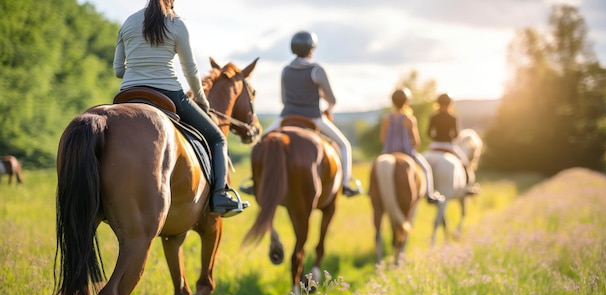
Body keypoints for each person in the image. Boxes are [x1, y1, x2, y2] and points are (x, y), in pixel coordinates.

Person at [113, 0, 248, 216]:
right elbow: (191, 70)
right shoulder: (177, 23)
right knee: (217, 138)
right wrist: (202, 99)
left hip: (128, 94)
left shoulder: (128, 22)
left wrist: (140, 65)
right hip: (168, 94)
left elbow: (119, 70)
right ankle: (220, 196)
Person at [262, 30, 362, 197]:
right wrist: (327, 107)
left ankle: (255, 180)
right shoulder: (316, 70)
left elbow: (283, 99)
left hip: (286, 116)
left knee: (262, 142)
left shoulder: (286, 70)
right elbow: (332, 100)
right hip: (314, 118)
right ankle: (346, 184)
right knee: (345, 146)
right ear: (311, 49)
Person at [380, 88, 445, 204]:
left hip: (388, 153)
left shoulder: (386, 118)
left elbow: (383, 139)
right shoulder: (409, 119)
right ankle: (430, 194)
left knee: (376, 167)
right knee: (426, 169)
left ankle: (371, 190)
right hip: (407, 153)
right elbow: (416, 142)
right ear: (406, 102)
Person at [427, 93, 479, 195]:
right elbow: (455, 135)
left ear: (438, 104)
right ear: (450, 104)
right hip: (448, 146)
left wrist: (436, 137)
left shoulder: (433, 117)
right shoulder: (453, 118)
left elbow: (428, 133)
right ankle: (468, 186)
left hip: (434, 145)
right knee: (465, 163)